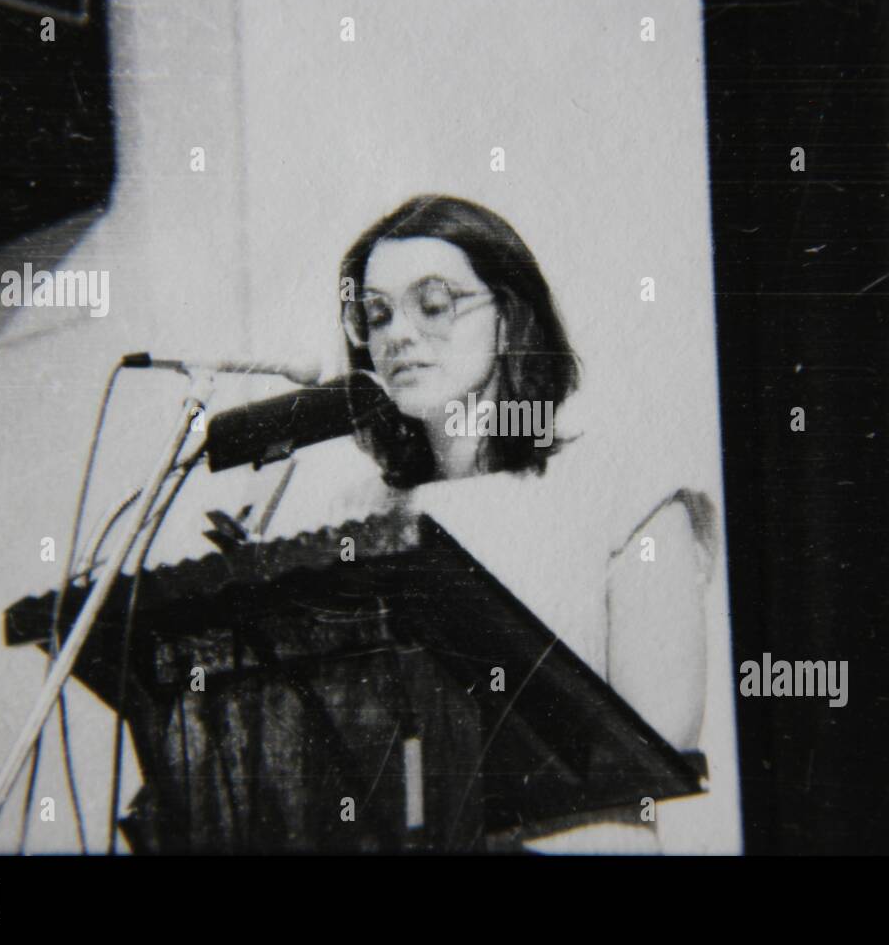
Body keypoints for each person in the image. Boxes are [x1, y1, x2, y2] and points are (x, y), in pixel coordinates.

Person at [244, 194, 719, 851]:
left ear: (507, 319)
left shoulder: (621, 489)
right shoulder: (355, 515)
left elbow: (660, 735)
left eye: (433, 305)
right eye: (375, 315)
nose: (398, 335)